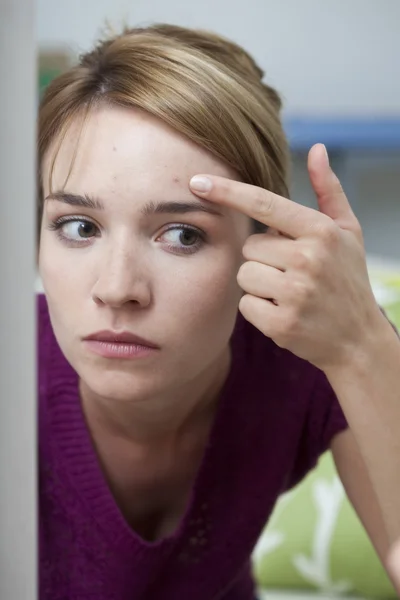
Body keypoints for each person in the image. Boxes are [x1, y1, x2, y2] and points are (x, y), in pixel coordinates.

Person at [37, 23, 400, 600]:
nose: (117, 288)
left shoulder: (306, 365)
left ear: (263, 245)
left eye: (181, 234)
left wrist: (364, 345)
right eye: (79, 227)